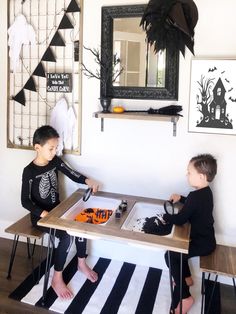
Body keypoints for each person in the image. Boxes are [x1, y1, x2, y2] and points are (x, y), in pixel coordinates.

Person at [21, 125, 99, 300]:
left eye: (56, 148)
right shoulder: (29, 172)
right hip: (41, 217)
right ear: (37, 147)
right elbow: (25, 201)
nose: (54, 152)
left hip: (58, 211)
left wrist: (88, 180)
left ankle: (81, 263)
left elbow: (72, 173)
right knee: (66, 236)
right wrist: (43, 214)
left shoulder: (54, 161)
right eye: (51, 148)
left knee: (81, 222)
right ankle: (57, 278)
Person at [163, 154, 217, 314]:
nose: (186, 175)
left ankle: (186, 297)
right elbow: (194, 204)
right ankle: (185, 279)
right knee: (178, 252)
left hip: (202, 244)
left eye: (189, 172)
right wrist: (181, 198)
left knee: (170, 255)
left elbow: (180, 219)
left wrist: (165, 216)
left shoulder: (195, 196)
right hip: (206, 240)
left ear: (201, 176)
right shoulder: (206, 192)